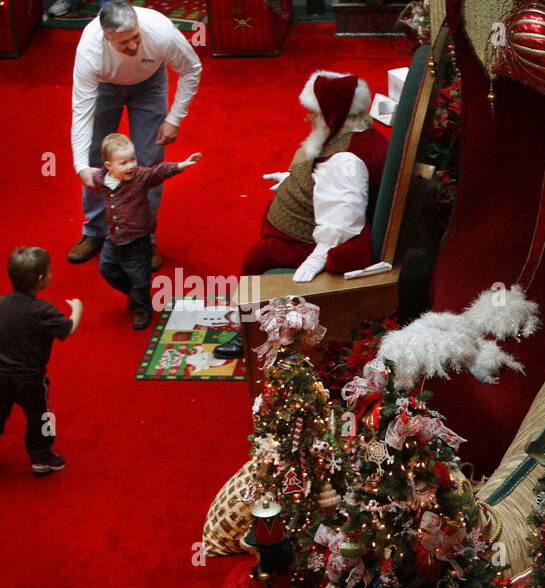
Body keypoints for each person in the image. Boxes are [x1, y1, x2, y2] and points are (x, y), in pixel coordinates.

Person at [214, 71, 387, 360]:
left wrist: (319, 255)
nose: (307, 119)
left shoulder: (346, 159)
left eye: (312, 113)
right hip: (299, 230)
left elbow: (342, 218)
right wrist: (296, 180)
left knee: (255, 263)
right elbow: (333, 184)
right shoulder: (352, 135)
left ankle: (250, 334)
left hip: (301, 243)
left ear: (333, 112)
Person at [69, 2, 202, 272]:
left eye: (135, 38)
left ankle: (145, 240)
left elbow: (192, 69)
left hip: (150, 84)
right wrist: (81, 166)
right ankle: (94, 231)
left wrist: (174, 118)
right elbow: (81, 111)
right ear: (107, 38)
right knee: (97, 157)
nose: (132, 47)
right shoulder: (89, 51)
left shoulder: (162, 32)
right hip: (105, 86)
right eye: (122, 43)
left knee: (148, 162)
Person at [90, 133, 201, 329]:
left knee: (140, 279)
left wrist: (180, 165)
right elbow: (91, 176)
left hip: (138, 241)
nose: (131, 166)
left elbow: (157, 172)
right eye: (123, 162)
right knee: (106, 268)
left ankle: (142, 309)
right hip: (113, 238)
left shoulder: (140, 177)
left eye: (133, 159)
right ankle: (132, 292)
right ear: (109, 167)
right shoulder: (102, 178)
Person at [0, 248, 83, 476]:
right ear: (40, 280)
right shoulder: (42, 310)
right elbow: (69, 328)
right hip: (30, 379)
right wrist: (77, 309)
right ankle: (42, 457)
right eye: (49, 272)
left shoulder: (1, 304)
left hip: (0, 374)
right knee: (42, 416)